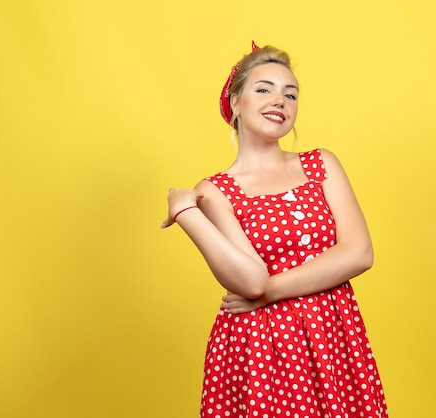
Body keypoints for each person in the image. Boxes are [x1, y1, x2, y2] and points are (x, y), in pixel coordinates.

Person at [162, 42, 389, 418]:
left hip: (331, 332)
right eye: (264, 89)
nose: (279, 101)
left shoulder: (321, 164)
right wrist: (186, 211)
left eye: (291, 94)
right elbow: (251, 281)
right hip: (260, 345)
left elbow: (359, 252)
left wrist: (272, 292)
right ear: (235, 103)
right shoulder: (215, 191)